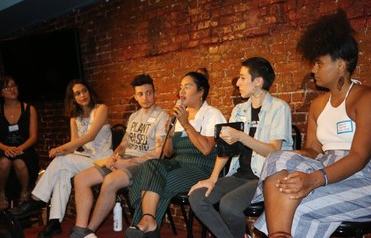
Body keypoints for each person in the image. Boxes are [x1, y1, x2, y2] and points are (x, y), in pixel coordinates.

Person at [251, 10, 371, 238]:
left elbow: (359, 157)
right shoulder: (318, 104)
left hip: (364, 176)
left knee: (295, 205)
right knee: (276, 158)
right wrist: (293, 157)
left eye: (319, 63)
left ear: (341, 64)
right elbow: (314, 150)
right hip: (324, 164)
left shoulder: (366, 98)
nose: (313, 69)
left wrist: (313, 180)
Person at [188, 57, 293, 238]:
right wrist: (212, 179)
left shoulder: (279, 108)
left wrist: (241, 136)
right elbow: (226, 148)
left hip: (264, 177)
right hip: (238, 175)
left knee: (228, 206)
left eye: (242, 78)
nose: (237, 83)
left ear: (258, 82)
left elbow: (274, 151)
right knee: (197, 197)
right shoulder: (239, 110)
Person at [125, 71, 226, 238]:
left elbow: (207, 149)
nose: (182, 92)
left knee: (156, 183)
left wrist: (186, 123)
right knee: (150, 165)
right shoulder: (180, 116)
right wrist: (170, 134)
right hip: (179, 164)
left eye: (187, 87)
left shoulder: (212, 114)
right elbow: (168, 153)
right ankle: (148, 220)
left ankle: (145, 225)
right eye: (181, 87)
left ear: (201, 91)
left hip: (202, 168)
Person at [10, 79, 113, 238]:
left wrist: (62, 149)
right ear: (73, 99)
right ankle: (54, 221)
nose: (82, 95)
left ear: (90, 91)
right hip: (86, 157)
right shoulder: (74, 118)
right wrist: (63, 150)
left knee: (62, 162)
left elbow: (90, 136)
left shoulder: (101, 109)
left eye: (84, 91)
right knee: (62, 171)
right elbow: (74, 144)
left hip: (103, 159)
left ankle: (36, 199)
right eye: (77, 94)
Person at [69, 74, 168, 238]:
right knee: (81, 179)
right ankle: (80, 228)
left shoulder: (162, 117)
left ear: (155, 93)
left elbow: (159, 153)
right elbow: (123, 143)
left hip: (144, 164)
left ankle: (88, 232)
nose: (145, 97)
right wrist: (115, 156)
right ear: (136, 97)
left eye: (149, 92)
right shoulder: (134, 117)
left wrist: (128, 162)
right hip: (124, 160)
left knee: (110, 181)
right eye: (141, 94)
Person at [0, 76, 39, 209]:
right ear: (1, 93)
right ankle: (1, 194)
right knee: (4, 162)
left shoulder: (29, 109)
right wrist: (6, 148)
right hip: (3, 149)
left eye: (14, 86)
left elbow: (33, 137)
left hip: (25, 149)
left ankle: (24, 194)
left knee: (19, 162)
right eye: (7, 87)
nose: (12, 89)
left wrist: (19, 149)